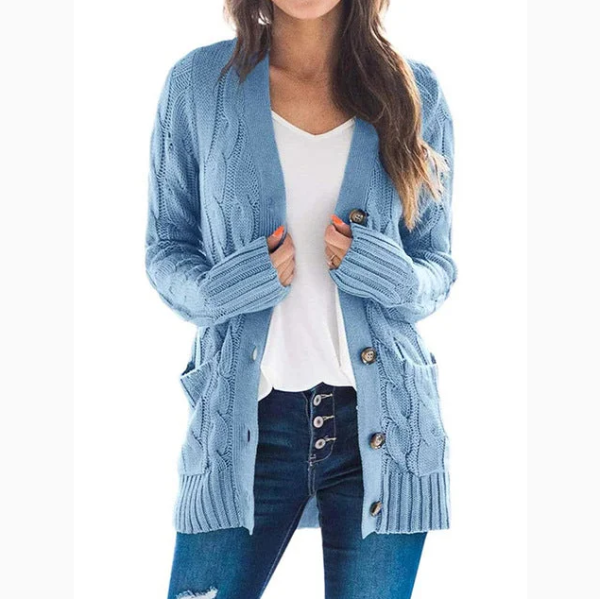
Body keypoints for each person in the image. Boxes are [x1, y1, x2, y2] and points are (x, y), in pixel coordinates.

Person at [145, 1, 457, 597]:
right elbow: (166, 249)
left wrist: (386, 273)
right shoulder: (198, 85)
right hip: (245, 424)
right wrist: (229, 285)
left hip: (383, 429)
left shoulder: (416, 92)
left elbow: (436, 264)